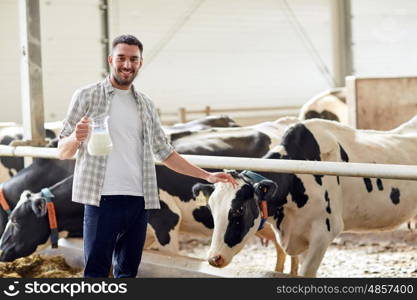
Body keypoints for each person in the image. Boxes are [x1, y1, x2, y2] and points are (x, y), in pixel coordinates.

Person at [58, 34, 237, 278]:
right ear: (111, 59)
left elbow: (165, 152)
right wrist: (76, 137)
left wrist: (207, 176)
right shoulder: (86, 96)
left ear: (140, 63)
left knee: (128, 271)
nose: (127, 65)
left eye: (134, 59)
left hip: (139, 201)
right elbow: (62, 150)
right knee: (96, 272)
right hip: (101, 200)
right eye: (121, 58)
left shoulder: (145, 104)